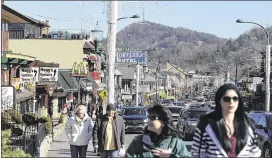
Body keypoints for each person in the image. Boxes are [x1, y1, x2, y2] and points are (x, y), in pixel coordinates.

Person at [191, 83, 261, 158]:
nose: (231, 102)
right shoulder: (205, 126)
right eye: (227, 99)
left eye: (235, 99)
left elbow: (255, 153)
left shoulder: (249, 125)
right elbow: (196, 154)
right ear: (219, 101)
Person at [125, 104, 190, 158]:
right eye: (149, 117)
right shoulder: (138, 141)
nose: (149, 121)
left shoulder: (176, 143)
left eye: (153, 118)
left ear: (163, 122)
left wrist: (170, 156)